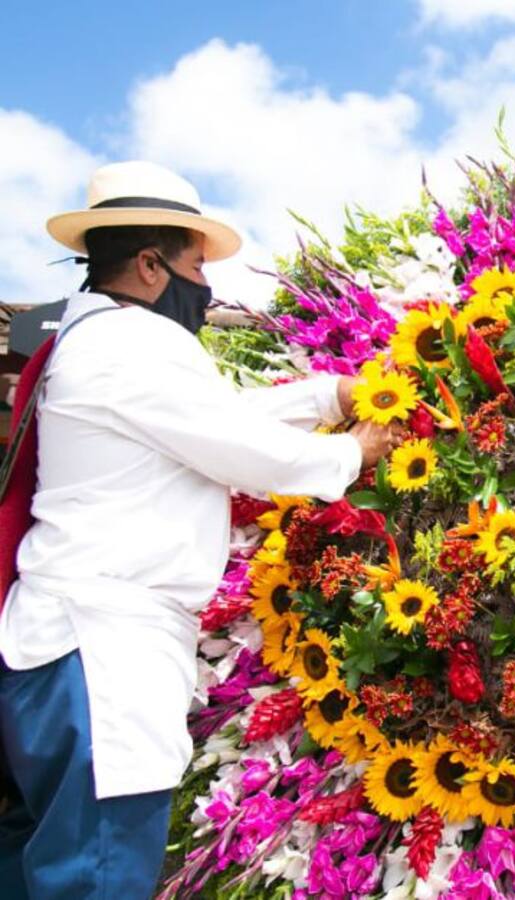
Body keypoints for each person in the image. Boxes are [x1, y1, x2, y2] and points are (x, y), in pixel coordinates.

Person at [0, 161, 395, 898]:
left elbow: (210, 419)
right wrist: (354, 449)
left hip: (67, 650)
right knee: (96, 875)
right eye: (194, 266)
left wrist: (327, 394)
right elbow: (244, 450)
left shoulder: (97, 343)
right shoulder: (134, 344)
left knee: (38, 867)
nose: (205, 287)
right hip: (103, 653)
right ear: (150, 266)